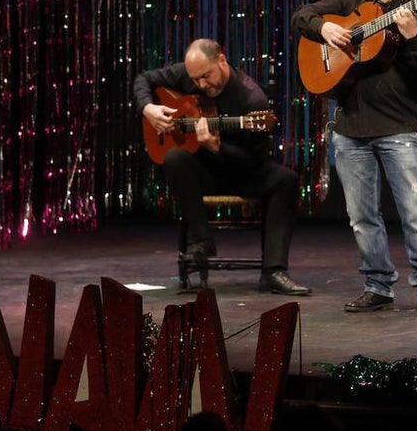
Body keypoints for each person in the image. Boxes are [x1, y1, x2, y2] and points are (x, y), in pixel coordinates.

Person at [291, 0, 417, 316]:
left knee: (415, 212)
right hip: (350, 129)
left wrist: (412, 37)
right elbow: (301, 15)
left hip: (400, 127)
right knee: (361, 216)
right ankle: (377, 285)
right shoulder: (351, 0)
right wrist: (325, 29)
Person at [133, 38, 310, 296]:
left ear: (222, 61)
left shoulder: (252, 100)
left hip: (243, 170)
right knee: (174, 158)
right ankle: (201, 241)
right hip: (204, 173)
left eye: (206, 76)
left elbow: (256, 159)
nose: (202, 85)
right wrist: (148, 108)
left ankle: (274, 271)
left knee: (286, 180)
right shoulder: (190, 74)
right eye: (196, 80)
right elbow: (143, 79)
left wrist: (217, 147)